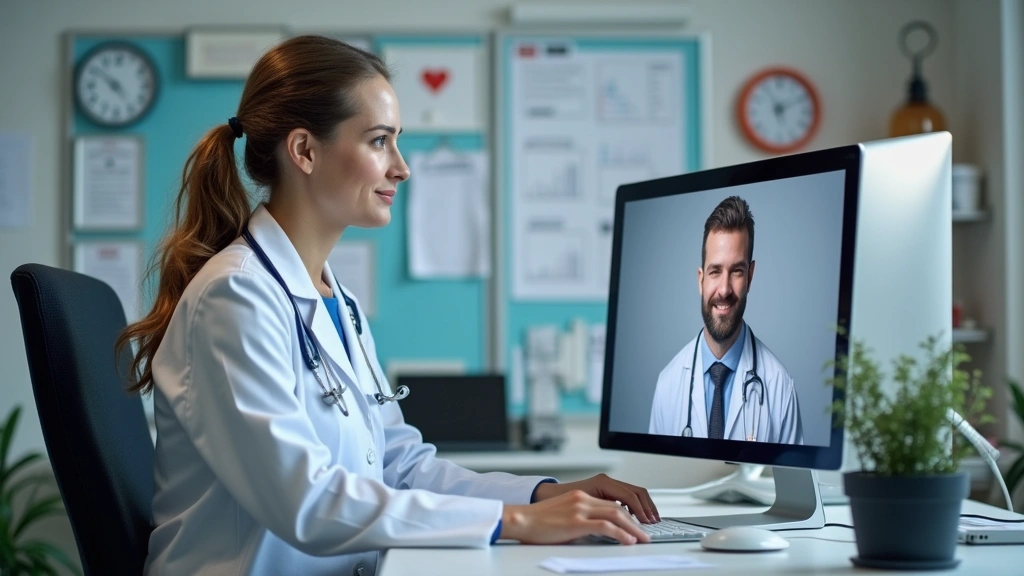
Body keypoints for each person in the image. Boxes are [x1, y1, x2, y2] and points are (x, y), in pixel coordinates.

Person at [117, 36, 660, 576]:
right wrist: (512, 521)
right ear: (304, 150)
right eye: (380, 141)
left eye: (396, 141)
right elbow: (304, 501)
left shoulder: (337, 300)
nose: (401, 168)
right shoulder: (234, 297)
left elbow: (400, 465)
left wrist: (544, 494)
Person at [648, 196, 803, 444]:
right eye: (715, 271)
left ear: (750, 276)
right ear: (701, 279)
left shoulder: (779, 387)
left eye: (737, 271)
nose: (724, 290)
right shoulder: (669, 383)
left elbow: (792, 483)